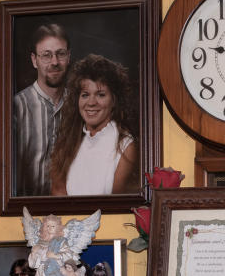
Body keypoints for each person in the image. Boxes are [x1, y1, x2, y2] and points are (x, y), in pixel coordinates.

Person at [50, 54, 139, 196]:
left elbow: (116, 207)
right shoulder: (67, 142)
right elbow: (58, 196)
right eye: (85, 95)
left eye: (100, 95)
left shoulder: (126, 146)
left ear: (114, 100)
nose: (91, 103)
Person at [12, 23, 71, 196]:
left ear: (69, 57)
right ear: (34, 60)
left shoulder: (80, 105)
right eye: (46, 55)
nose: (54, 62)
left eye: (60, 54)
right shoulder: (18, 106)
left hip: (70, 210)